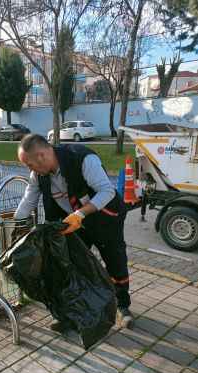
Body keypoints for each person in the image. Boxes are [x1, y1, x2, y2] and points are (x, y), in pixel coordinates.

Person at [14, 133, 133, 330]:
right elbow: (28, 200)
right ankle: (72, 313)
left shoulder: (83, 159)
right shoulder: (38, 175)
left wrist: (80, 214)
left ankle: (123, 306)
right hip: (74, 222)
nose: (30, 169)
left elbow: (107, 191)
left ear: (42, 156)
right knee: (70, 264)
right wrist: (15, 223)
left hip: (105, 216)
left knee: (115, 260)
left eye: (29, 164)